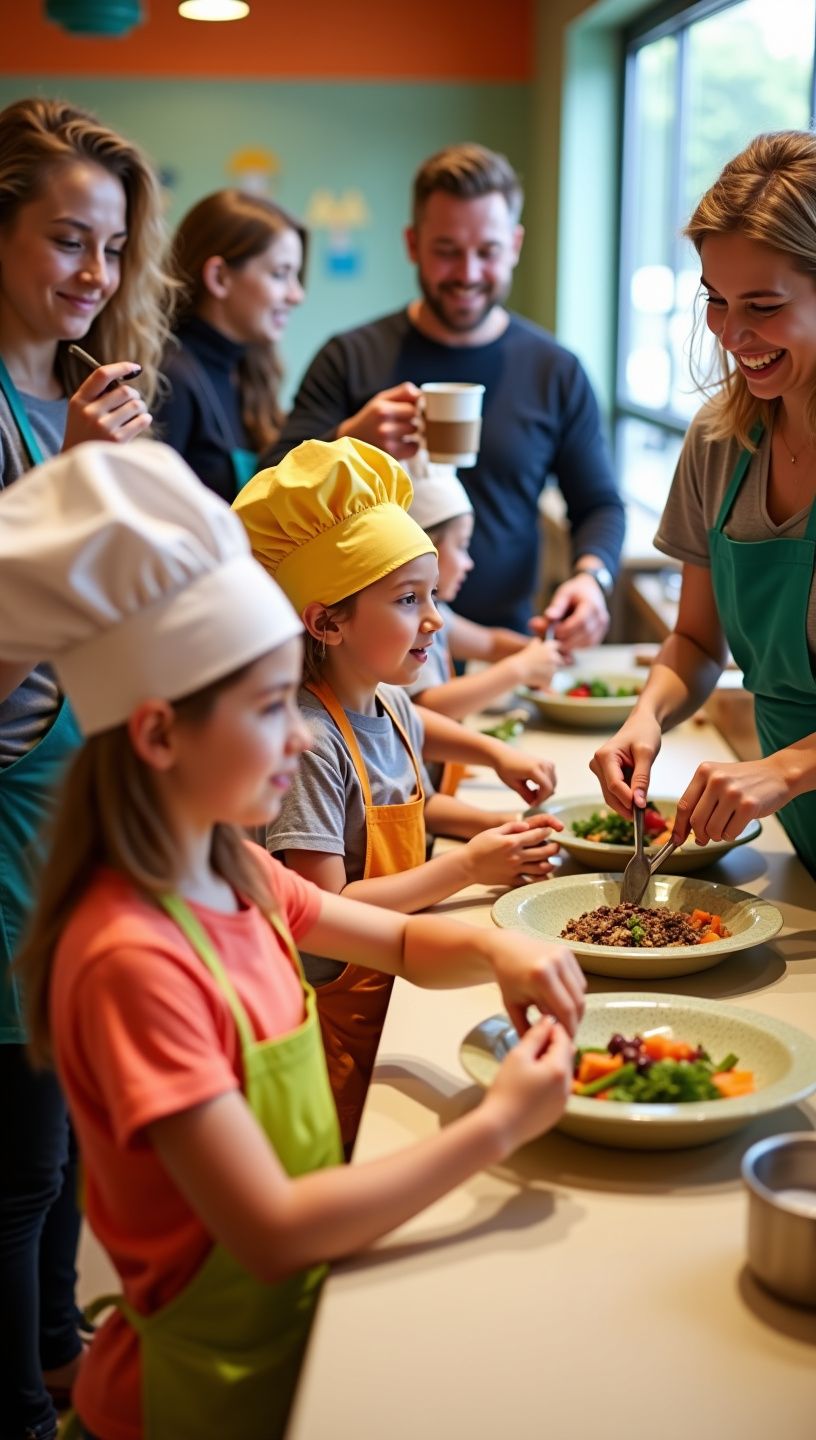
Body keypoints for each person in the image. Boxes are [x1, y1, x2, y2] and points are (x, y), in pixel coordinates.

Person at [4, 440, 584, 1440]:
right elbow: (269, 1233)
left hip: (291, 1347)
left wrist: (503, 952)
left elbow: (400, 947)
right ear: (157, 735)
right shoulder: (130, 959)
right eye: (273, 707)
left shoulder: (234, 871)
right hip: (191, 1399)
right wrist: (495, 1126)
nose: (307, 734)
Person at [235, 436, 566, 1145]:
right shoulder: (312, 740)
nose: (435, 621)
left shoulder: (381, 699)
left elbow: (406, 786)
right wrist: (468, 865)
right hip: (334, 1020)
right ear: (326, 621)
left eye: (434, 595)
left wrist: (490, 770)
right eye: (408, 599)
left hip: (398, 985)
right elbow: (324, 907)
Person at [0, 96, 171, 1440]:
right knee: (18, 1159)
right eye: (68, 240)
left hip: (73, 814)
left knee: (63, 1142)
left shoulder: (67, 396)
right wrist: (73, 497)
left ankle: (59, 1352)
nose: (94, 279)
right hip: (5, 828)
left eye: (111, 251)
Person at [263, 142, 625, 642]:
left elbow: (599, 503)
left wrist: (592, 578)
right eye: (447, 251)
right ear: (413, 245)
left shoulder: (555, 370)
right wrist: (348, 440)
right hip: (363, 657)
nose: (469, 273)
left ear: (515, 245)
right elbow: (270, 486)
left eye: (488, 251)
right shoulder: (350, 356)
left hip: (505, 642)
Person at [590, 131, 816, 877]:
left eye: (763, 304)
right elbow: (694, 643)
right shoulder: (722, 443)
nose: (731, 333)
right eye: (716, 301)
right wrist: (646, 715)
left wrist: (787, 768)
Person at [154, 189, 306, 501]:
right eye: (280, 275)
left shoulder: (248, 369)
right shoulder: (171, 379)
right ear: (219, 277)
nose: (296, 295)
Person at [407, 464, 569, 722]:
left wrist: (542, 650)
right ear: (427, 549)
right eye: (461, 546)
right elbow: (427, 709)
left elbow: (490, 643)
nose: (468, 562)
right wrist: (522, 668)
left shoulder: (436, 614)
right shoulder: (410, 623)